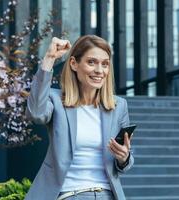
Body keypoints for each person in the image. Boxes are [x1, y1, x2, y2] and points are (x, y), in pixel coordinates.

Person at [25, 35, 134, 200]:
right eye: (91, 62)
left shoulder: (119, 106)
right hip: (69, 194)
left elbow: (124, 164)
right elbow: (36, 113)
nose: (99, 70)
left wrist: (124, 157)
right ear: (74, 64)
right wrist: (49, 59)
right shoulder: (56, 100)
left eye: (104, 64)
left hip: (107, 194)